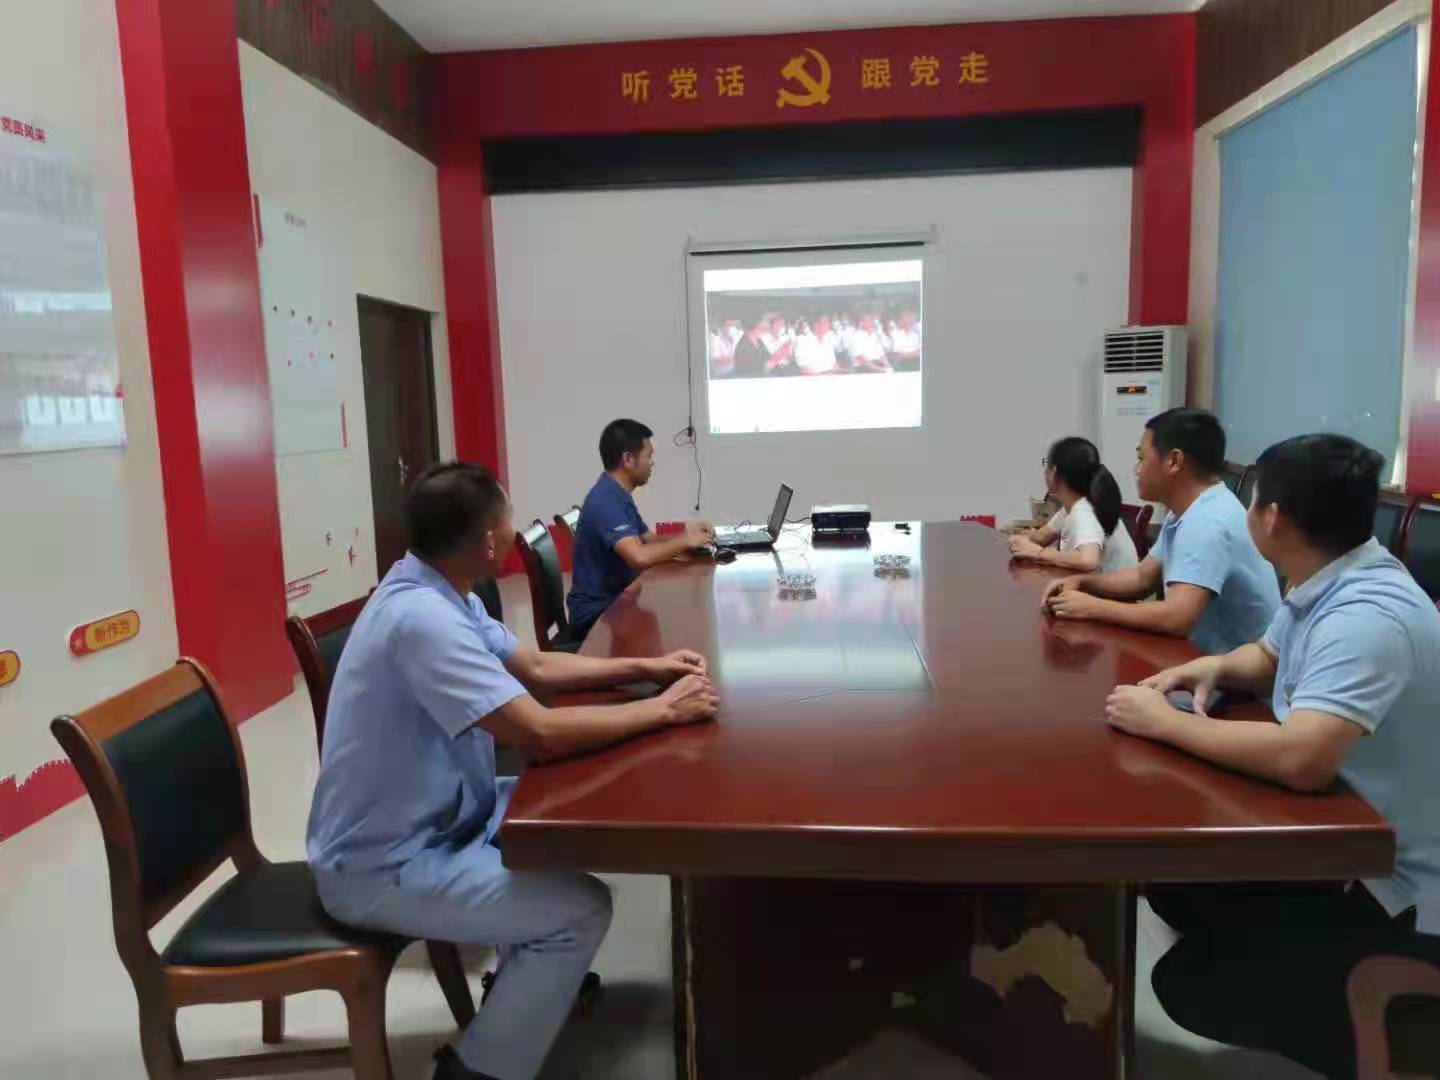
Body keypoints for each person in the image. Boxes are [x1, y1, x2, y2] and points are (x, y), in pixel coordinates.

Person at [306, 462, 721, 1080]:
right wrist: (662, 711)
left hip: (439, 813)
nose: (510, 527)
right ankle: (477, 1069)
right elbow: (538, 732)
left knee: (562, 809)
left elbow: (536, 666)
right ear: (488, 542)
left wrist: (650, 668)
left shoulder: (436, 589)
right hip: (384, 862)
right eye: (506, 518)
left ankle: (524, 984)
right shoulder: (424, 620)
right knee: (581, 910)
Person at [1104, 434, 1440, 1080]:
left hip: (1396, 894)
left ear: (1273, 517)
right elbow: (1265, 655)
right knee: (1177, 888)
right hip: (1345, 845)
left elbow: (1303, 759)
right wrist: (1206, 670)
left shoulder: (1368, 616)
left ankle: (1402, 1033)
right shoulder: (1331, 576)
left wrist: (1163, 725)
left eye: (1252, 500)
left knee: (1189, 983)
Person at [1042, 408, 1280, 655]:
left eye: (1141, 458)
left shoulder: (1208, 521)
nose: (1137, 469)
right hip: (1204, 660)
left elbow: (1177, 617)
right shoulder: (1187, 510)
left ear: (1174, 461)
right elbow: (1141, 578)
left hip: (1235, 673)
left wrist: (1092, 607)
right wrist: (1081, 582)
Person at [568, 419, 713, 638]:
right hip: (596, 615)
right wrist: (684, 541)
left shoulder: (617, 494)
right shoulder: (606, 500)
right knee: (678, 621)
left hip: (616, 601)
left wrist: (688, 535)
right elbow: (639, 557)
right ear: (628, 459)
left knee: (675, 615)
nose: (652, 464)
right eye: (649, 456)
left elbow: (647, 540)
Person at [1010, 436, 1138, 573]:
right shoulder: (1071, 507)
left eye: (1046, 464)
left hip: (1117, 586)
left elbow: (1088, 561)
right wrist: (1020, 540)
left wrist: (1039, 553)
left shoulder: (1084, 511)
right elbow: (1041, 537)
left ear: (1053, 473)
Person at [732, 313, 773, 378]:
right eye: (764, 321)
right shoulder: (743, 347)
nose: (767, 324)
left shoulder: (759, 341)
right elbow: (749, 373)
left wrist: (779, 356)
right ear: (757, 325)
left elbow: (767, 359)